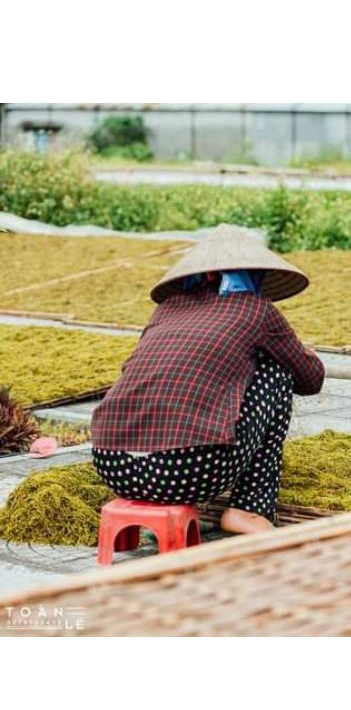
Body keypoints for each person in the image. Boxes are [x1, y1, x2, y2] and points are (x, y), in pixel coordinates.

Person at [91, 224, 324, 533]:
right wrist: (301, 353)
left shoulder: (167, 309)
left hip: (112, 464)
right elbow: (310, 379)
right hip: (184, 474)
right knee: (276, 372)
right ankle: (250, 508)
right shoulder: (256, 309)